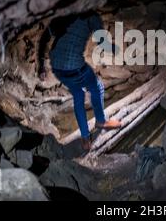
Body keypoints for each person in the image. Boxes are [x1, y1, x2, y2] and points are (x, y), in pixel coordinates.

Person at [38, 10, 122, 151]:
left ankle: (84, 137)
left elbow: (44, 37)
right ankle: (100, 122)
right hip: (74, 67)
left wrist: (40, 65)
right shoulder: (92, 16)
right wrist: (116, 49)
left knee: (78, 94)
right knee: (97, 87)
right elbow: (103, 44)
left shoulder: (66, 13)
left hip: (57, 67)